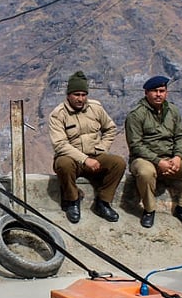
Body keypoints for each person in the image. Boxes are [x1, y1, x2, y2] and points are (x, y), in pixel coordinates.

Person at [124, 76, 182, 230]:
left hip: (170, 157)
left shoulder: (172, 111)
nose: (158, 94)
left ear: (166, 92)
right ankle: (149, 209)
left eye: (162, 91)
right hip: (144, 159)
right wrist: (158, 161)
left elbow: (180, 135)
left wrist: (178, 157)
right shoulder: (136, 114)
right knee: (145, 172)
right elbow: (136, 145)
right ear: (146, 93)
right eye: (155, 91)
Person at [48, 71, 125, 223]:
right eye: (76, 94)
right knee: (63, 164)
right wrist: (84, 160)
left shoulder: (96, 108)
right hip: (72, 159)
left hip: (95, 155)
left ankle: (103, 202)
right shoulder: (58, 114)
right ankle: (72, 200)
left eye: (83, 94)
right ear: (68, 95)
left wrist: (102, 148)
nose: (80, 98)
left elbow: (110, 128)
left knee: (118, 163)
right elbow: (60, 144)